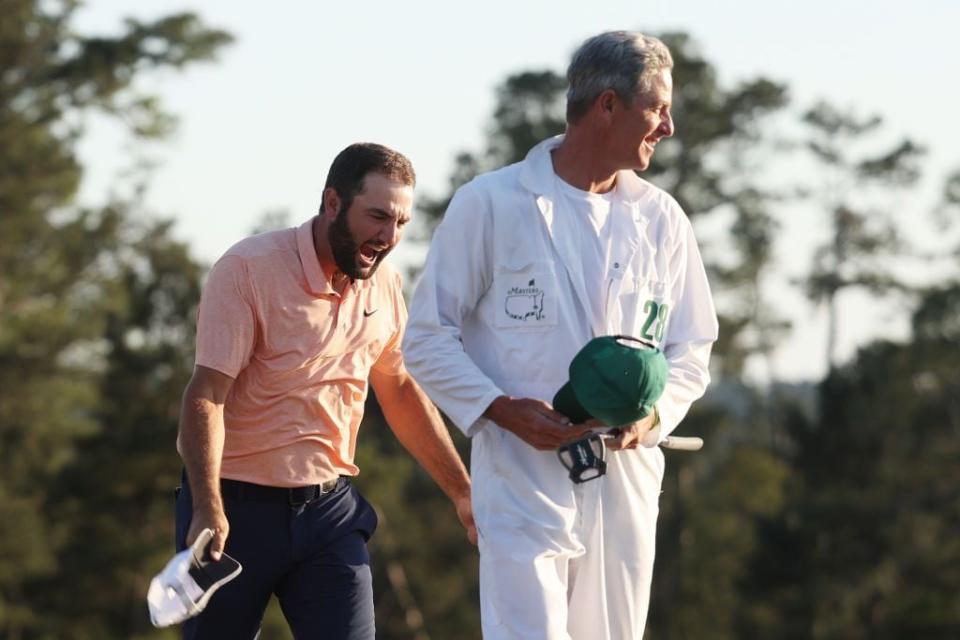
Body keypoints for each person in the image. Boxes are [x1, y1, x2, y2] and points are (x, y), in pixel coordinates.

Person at [403, 31, 719, 639]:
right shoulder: (491, 203)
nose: (668, 126)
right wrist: (500, 410)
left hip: (625, 481)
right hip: (523, 478)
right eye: (656, 108)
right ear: (606, 106)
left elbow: (691, 348)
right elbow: (426, 339)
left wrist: (652, 419)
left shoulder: (662, 219)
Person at [175, 142, 475, 640]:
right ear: (332, 203)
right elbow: (206, 395)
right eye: (377, 216)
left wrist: (462, 491)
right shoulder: (248, 268)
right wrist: (207, 504)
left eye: (401, 223)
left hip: (329, 516)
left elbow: (398, 390)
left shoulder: (385, 286)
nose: (388, 236)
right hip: (232, 513)